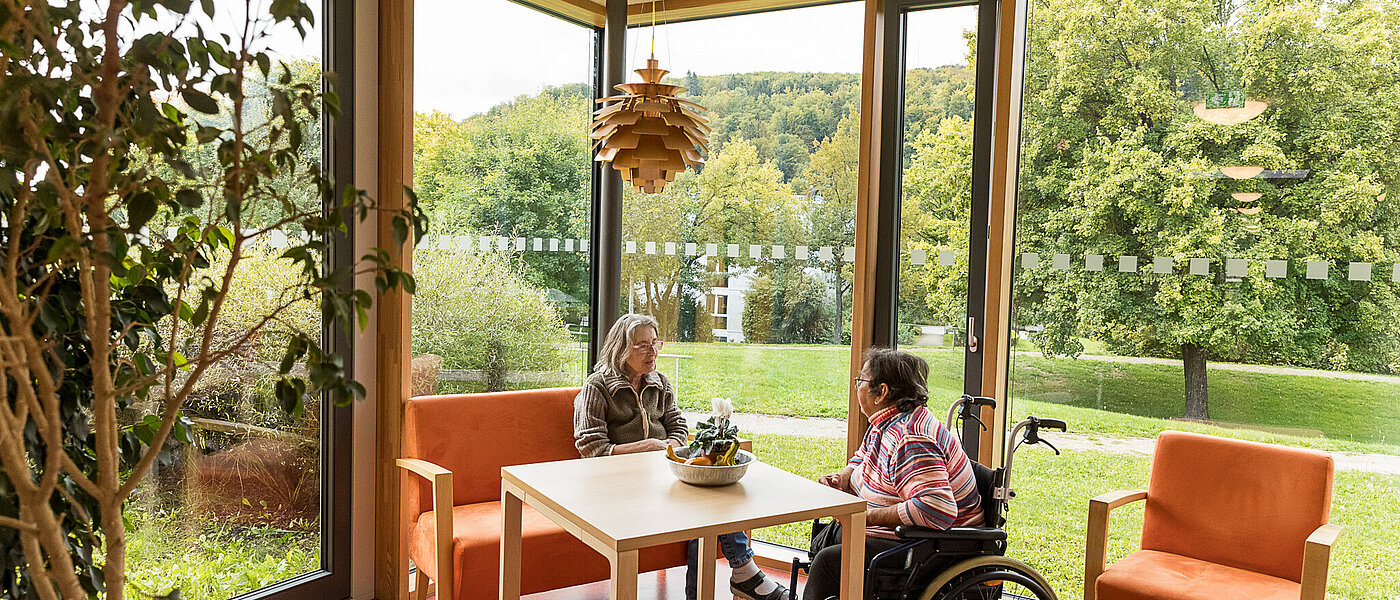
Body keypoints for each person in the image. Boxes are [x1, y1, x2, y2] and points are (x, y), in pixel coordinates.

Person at [573, 314, 789, 600]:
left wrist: (671, 449)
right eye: (642, 346)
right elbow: (591, 448)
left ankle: (725, 581)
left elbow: (678, 426)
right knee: (706, 503)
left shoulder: (660, 383)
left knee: (713, 496)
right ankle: (743, 573)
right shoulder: (597, 387)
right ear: (621, 347)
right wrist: (646, 447)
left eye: (655, 343)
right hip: (618, 486)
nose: (653, 352)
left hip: (662, 477)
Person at [802, 348, 985, 600]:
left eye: (861, 381)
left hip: (934, 547)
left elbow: (937, 509)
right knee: (826, 536)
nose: (856, 386)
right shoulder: (885, 422)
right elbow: (864, 456)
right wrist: (843, 477)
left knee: (828, 561)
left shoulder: (911, 437)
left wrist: (866, 517)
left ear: (882, 392)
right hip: (909, 539)